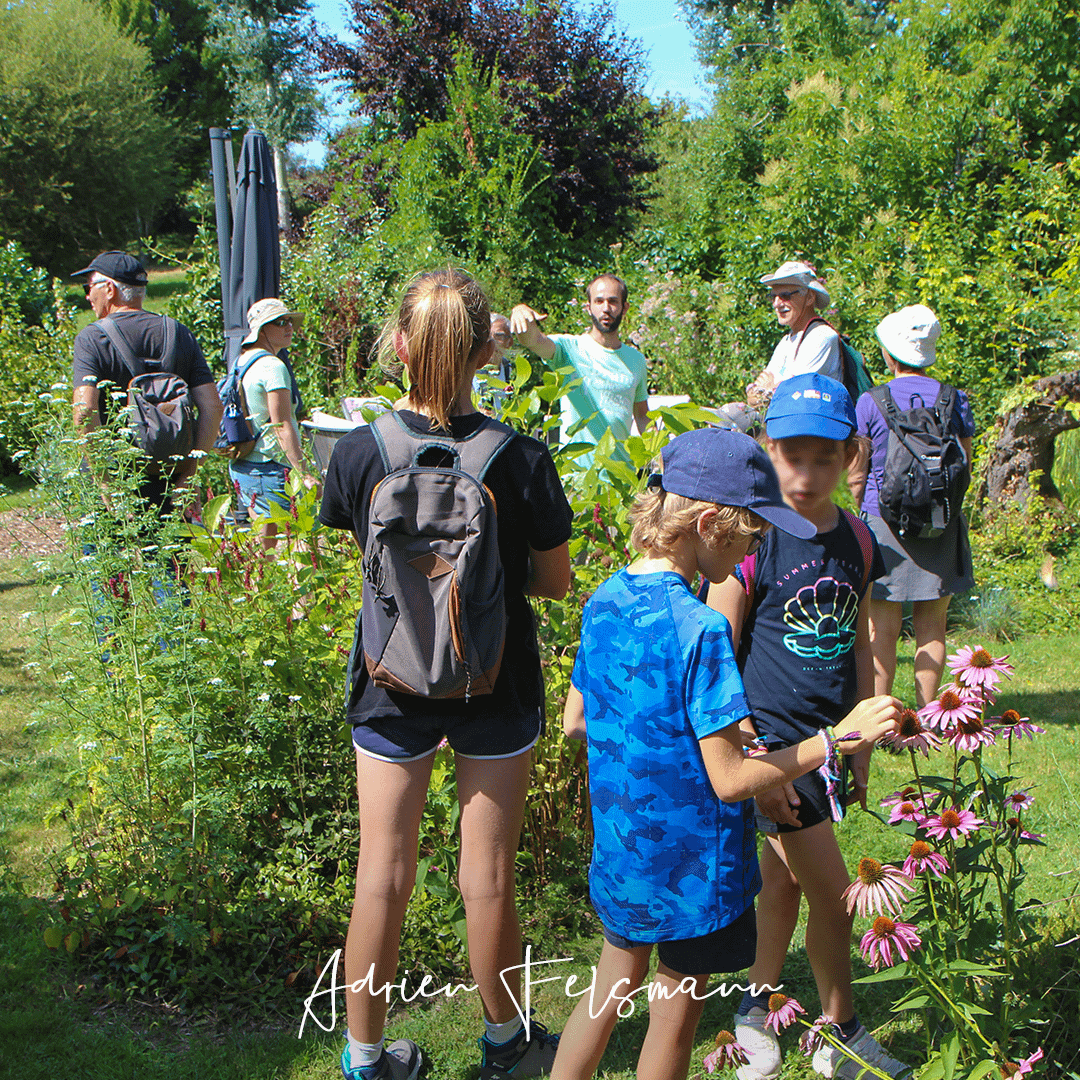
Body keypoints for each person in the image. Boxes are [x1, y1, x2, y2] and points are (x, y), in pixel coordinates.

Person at [556, 426, 901, 1080]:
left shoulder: (605, 600)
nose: (757, 544)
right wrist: (836, 737)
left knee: (608, 989)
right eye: (751, 534)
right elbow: (732, 780)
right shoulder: (702, 627)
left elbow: (577, 720)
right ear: (710, 524)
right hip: (694, 872)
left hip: (625, 851)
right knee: (675, 1014)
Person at [318, 269, 573, 1080]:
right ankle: (505, 1043)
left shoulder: (361, 453)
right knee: (487, 875)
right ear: (482, 352)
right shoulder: (520, 459)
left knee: (381, 874)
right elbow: (554, 579)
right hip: (495, 681)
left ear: (398, 346)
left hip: (390, 684)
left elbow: (360, 559)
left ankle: (365, 1058)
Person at [706, 374, 910, 1080]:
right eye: (793, 455)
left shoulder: (856, 537)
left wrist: (861, 748)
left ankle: (756, 1010)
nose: (808, 472)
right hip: (771, 754)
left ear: (851, 455)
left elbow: (858, 642)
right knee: (835, 897)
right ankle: (839, 1033)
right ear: (768, 449)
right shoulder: (750, 540)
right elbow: (716, 656)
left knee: (784, 888)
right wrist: (752, 763)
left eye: (825, 457)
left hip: (829, 747)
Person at [848, 305, 976, 707]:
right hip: (941, 520)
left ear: (889, 353)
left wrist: (867, 511)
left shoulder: (871, 401)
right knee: (932, 627)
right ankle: (927, 713)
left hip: (884, 523)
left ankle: (881, 715)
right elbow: (965, 464)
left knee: (880, 629)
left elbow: (857, 472)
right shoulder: (957, 400)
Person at [71, 250, 223, 515]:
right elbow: (212, 407)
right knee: (170, 557)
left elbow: (84, 411)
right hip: (170, 478)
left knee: (111, 555)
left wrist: (106, 483)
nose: (87, 295)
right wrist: (189, 471)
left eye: (89, 286)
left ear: (109, 289)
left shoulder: (92, 338)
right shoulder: (179, 333)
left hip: (118, 476)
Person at [510, 274, 649, 464]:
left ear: (625, 308)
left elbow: (643, 416)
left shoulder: (636, 360)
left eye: (613, 301)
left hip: (622, 477)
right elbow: (533, 341)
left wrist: (664, 454)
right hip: (577, 480)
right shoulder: (569, 349)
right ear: (588, 307)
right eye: (599, 301)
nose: (606, 308)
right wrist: (519, 312)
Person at [229, 297, 317, 550]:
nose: (289, 327)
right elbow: (281, 425)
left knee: (263, 552)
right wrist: (304, 473)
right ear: (262, 329)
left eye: (289, 321)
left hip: (244, 465)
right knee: (300, 550)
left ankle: (257, 591)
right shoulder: (273, 366)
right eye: (279, 322)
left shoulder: (242, 361)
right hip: (271, 468)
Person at [746, 261, 840, 413]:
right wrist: (766, 391)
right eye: (773, 296)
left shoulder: (822, 336)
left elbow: (794, 395)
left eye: (785, 295)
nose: (776, 304)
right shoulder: (786, 341)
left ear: (810, 297)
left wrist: (769, 389)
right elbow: (755, 397)